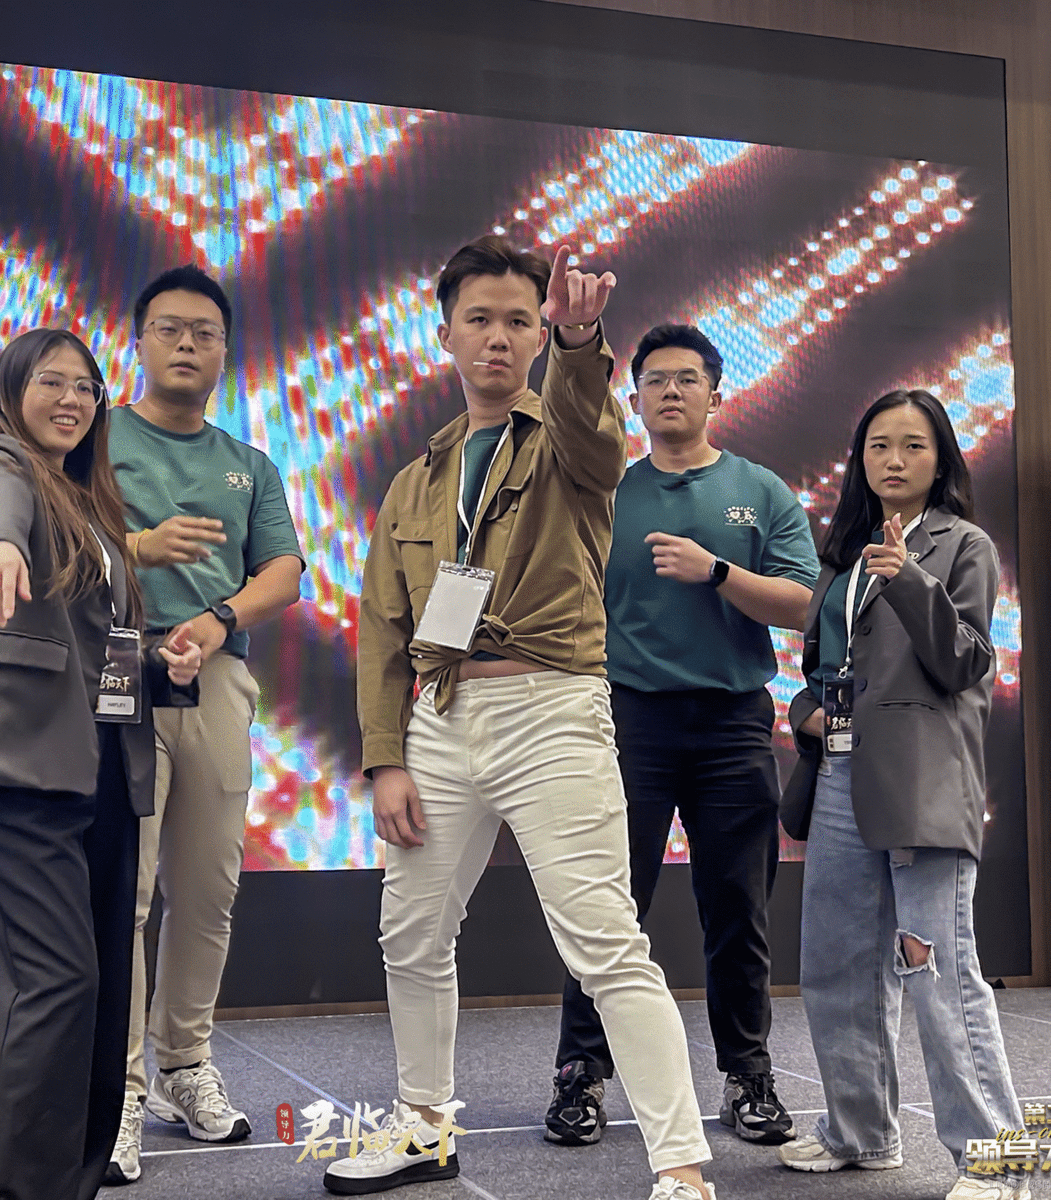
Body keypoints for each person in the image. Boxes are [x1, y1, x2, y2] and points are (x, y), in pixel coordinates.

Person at [338, 236, 717, 1200]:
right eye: (480, 319)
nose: (499, 338)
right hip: (440, 717)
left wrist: (582, 343)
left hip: (551, 709)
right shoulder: (416, 479)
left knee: (603, 940)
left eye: (518, 320)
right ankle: (424, 1131)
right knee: (411, 934)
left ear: (538, 335)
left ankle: (681, 1168)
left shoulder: (572, 439)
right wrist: (386, 757)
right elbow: (382, 627)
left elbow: (593, 426)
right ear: (446, 335)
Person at [0, 327, 202, 1200]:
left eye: (87, 387)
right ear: (11, 392)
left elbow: (101, 649)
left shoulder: (92, 506)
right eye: (51, 382)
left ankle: (69, 1183)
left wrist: (161, 666)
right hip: (23, 767)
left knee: (98, 994)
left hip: (104, 771)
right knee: (53, 986)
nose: (72, 399)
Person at [545, 324, 817, 1149]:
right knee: (605, 908)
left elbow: (804, 604)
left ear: (716, 395)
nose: (671, 391)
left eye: (687, 378)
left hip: (734, 723)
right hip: (628, 721)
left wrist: (719, 572)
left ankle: (748, 1077)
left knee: (738, 909)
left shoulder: (758, 490)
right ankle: (580, 1076)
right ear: (634, 402)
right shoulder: (609, 493)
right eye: (656, 380)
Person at [777, 389, 1028, 1200]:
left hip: (922, 780)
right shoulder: (843, 552)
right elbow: (824, 666)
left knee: (938, 969)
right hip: (841, 772)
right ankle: (860, 1133)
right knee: (836, 964)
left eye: (913, 445)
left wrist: (913, 581)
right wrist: (806, 711)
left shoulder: (963, 545)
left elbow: (967, 662)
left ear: (941, 458)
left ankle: (996, 1160)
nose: (893, 459)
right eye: (879, 444)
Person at [105, 266, 304, 1184]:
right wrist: (138, 558)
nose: (187, 345)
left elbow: (283, 571)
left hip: (215, 673)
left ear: (226, 350)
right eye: (170, 329)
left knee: (208, 886)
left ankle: (184, 1065)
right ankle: (117, 1087)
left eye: (206, 333)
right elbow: (58, 539)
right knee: (126, 888)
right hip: (115, 668)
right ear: (139, 341)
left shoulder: (247, 464)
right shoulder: (95, 439)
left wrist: (219, 620)